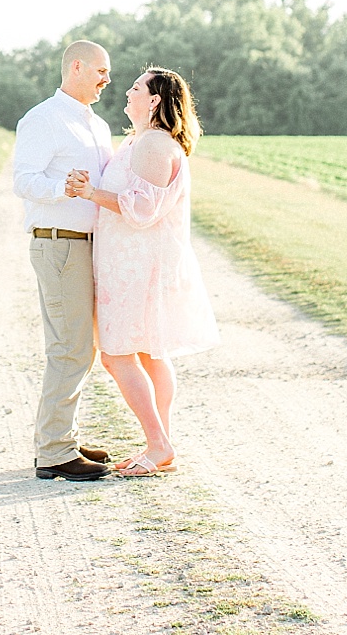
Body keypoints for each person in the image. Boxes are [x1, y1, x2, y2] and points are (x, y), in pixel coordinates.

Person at [66, 67, 217, 478]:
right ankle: (160, 443)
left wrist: (90, 193)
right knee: (151, 353)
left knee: (117, 355)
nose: (127, 92)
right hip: (133, 262)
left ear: (153, 100)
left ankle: (158, 442)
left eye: (136, 88)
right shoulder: (142, 141)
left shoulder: (153, 144)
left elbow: (144, 208)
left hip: (138, 267)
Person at [12, 40, 116, 481]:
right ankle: (54, 451)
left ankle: (62, 436)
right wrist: (63, 190)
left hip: (88, 245)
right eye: (101, 71)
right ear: (77, 67)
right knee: (69, 347)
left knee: (81, 346)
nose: (107, 80)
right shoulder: (43, 119)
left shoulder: (95, 124)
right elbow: (23, 180)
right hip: (59, 245)